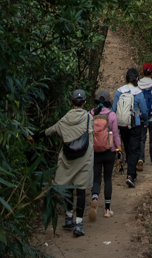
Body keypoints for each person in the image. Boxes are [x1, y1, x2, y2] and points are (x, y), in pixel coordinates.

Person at [42, 88, 95, 236]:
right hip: (84, 158)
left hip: (68, 158)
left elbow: (50, 131)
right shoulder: (89, 118)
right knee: (81, 191)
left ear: (71, 102)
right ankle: (78, 225)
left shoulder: (64, 119)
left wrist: (35, 136)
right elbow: (92, 138)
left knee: (68, 188)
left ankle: (68, 218)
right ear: (84, 102)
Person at [90, 91, 120, 218]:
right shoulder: (112, 115)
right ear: (108, 101)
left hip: (95, 151)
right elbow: (115, 134)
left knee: (96, 178)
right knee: (107, 179)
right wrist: (119, 149)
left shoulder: (90, 114)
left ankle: (95, 197)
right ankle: (107, 210)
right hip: (109, 151)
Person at [114, 67, 146, 188]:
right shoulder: (138, 92)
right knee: (135, 150)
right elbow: (144, 110)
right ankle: (130, 175)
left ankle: (131, 172)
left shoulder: (119, 91)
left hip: (122, 125)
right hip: (135, 124)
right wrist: (146, 120)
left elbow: (113, 109)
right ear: (137, 78)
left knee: (127, 148)